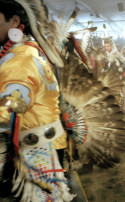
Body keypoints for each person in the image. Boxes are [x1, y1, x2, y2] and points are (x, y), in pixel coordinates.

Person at [0, 0, 73, 201]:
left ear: (14, 21)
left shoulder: (19, 60)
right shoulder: (31, 49)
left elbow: (12, 107)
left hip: (36, 152)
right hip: (47, 145)